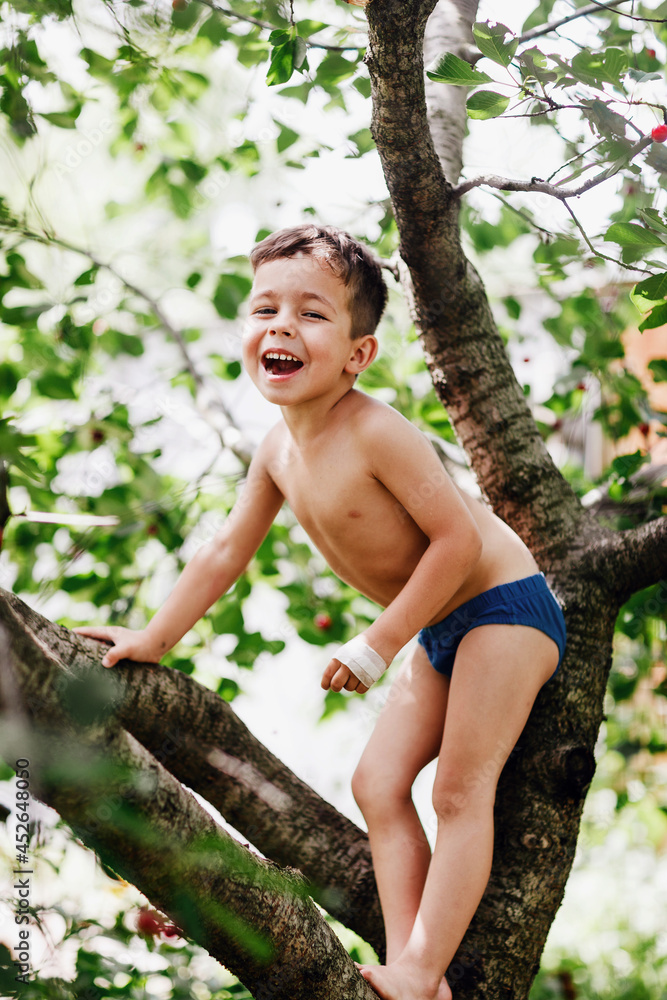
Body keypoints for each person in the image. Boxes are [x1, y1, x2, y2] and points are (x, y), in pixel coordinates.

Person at [74, 224, 566, 1000]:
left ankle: (420, 970)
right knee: (376, 783)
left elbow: (459, 542)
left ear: (356, 354)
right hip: (440, 623)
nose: (281, 326)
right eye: (264, 309)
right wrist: (155, 636)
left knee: (457, 791)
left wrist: (377, 643)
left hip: (502, 608)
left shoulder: (375, 430)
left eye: (310, 314)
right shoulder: (276, 451)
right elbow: (224, 551)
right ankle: (410, 966)